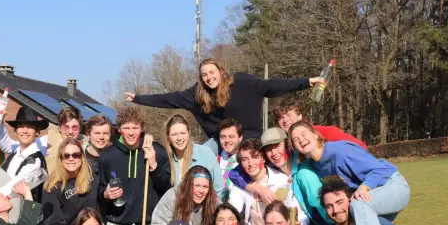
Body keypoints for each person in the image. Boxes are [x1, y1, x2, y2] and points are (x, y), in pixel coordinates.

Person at [289, 121, 411, 225]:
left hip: (392, 185)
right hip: (370, 201)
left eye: (303, 134)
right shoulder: (313, 165)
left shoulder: (340, 151)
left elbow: (382, 169)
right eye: (295, 140)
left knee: (357, 204)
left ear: (316, 134)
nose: (301, 140)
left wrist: (365, 186)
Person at [126, 57, 325, 154]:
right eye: (204, 75)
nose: (208, 77)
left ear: (220, 71)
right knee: (202, 155)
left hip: (248, 133)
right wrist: (139, 98)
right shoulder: (198, 95)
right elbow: (169, 99)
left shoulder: (242, 83)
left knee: (247, 153)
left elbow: (273, 85)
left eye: (212, 73)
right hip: (219, 139)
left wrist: (307, 82)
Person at [228, 127, 331, 225]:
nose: (250, 163)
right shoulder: (244, 183)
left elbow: (299, 210)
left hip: (326, 223)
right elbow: (233, 175)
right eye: (268, 149)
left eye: (277, 146)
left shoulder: (300, 171)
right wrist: (258, 189)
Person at [98, 107, 171, 225]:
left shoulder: (157, 151)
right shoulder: (107, 155)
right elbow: (99, 191)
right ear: (119, 129)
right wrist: (106, 194)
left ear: (142, 128)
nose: (131, 133)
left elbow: (167, 188)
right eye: (126, 128)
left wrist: (154, 165)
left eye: (135, 128)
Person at [0, 107, 51, 225]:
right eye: (21, 126)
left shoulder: (35, 159)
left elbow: (13, 186)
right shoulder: (15, 156)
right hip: (10, 220)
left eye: (29, 127)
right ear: (16, 130)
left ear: (37, 132)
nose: (25, 130)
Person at [228, 138, 309, 225]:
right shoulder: (239, 187)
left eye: (255, 157)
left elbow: (299, 213)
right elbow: (232, 213)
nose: (250, 163)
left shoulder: (282, 181)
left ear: (263, 158)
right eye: (245, 159)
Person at [41, 138, 98, 225]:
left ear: (82, 157)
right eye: (66, 155)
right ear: (60, 159)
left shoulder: (92, 174)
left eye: (75, 155)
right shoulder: (52, 188)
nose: (71, 159)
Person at [162, 114, 224, 198]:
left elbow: (219, 189)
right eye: (174, 134)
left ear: (188, 134)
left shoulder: (205, 153)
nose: (179, 138)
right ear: (168, 138)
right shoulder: (165, 158)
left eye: (183, 133)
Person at [149, 165, 219, 225]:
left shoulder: (213, 201)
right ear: (188, 185)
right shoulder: (172, 197)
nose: (201, 191)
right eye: (197, 185)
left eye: (205, 187)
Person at [0, 105, 83, 159]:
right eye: (66, 127)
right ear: (59, 128)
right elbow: (7, 146)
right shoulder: (46, 143)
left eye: (74, 127)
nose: (70, 131)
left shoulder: (85, 147)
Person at [273, 97, 367, 148]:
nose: (285, 120)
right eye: (280, 118)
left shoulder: (325, 132)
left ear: (300, 115)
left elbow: (360, 146)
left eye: (289, 115)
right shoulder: (286, 146)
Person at [217, 118, 243, 201]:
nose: (227, 141)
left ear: (240, 138)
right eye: (223, 137)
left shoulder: (246, 161)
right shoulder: (215, 160)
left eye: (231, 137)